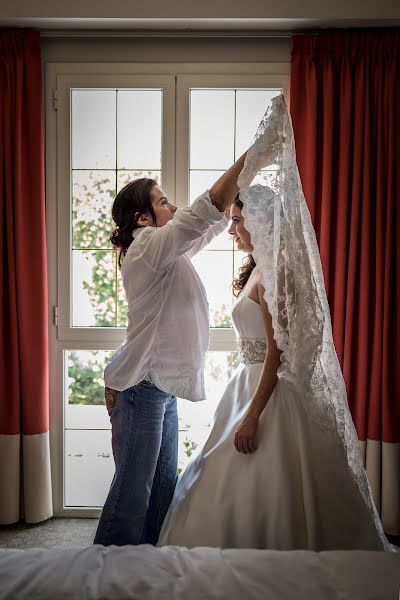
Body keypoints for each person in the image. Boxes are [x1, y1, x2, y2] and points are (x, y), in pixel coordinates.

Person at [157, 95, 391, 551]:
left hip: (270, 392)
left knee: (271, 485)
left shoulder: (277, 271)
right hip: (246, 384)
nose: (233, 230)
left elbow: (279, 351)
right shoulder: (259, 268)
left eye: (238, 220)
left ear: (262, 222)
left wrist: (253, 416)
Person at [94, 152, 247, 547]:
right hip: (142, 390)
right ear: (143, 219)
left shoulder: (165, 253)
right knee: (131, 498)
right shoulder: (147, 247)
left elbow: (206, 226)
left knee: (161, 494)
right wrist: (251, 158)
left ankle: (146, 574)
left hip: (160, 388)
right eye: (163, 202)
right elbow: (200, 215)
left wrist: (241, 186)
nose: (173, 207)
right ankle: (104, 578)